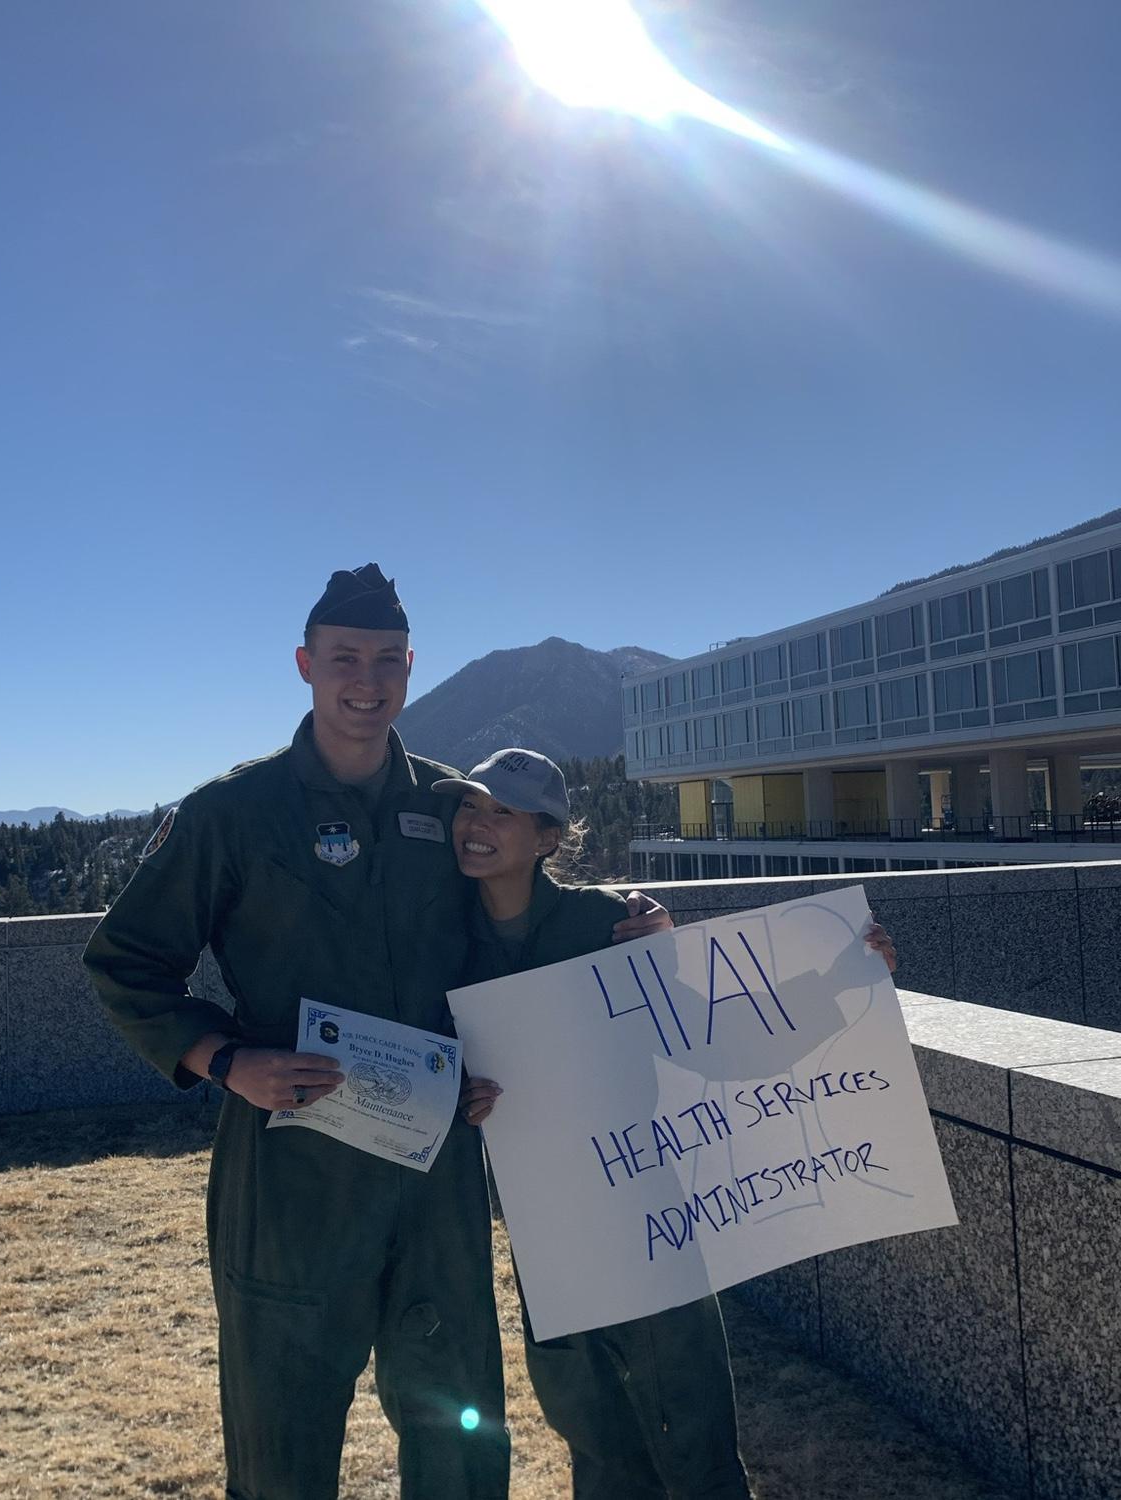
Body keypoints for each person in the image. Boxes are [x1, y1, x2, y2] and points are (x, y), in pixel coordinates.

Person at [82, 565, 671, 1500]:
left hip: (433, 1172)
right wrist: (228, 1060)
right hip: (292, 1169)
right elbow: (126, 961)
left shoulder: (450, 808)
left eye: (388, 661)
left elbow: (520, 925)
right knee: (282, 1432)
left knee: (458, 1430)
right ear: (306, 664)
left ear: (409, 669)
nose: (368, 679)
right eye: (346, 657)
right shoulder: (233, 815)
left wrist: (626, 925)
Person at [440, 747, 897, 1500]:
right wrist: (456, 1095)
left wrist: (846, 977)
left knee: (691, 1424)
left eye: (503, 812)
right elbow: (432, 1063)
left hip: (642, 1205)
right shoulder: (442, 940)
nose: (477, 825)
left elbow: (713, 1039)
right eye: (469, 805)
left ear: (549, 838)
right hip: (541, 1218)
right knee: (588, 1423)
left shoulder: (609, 925)